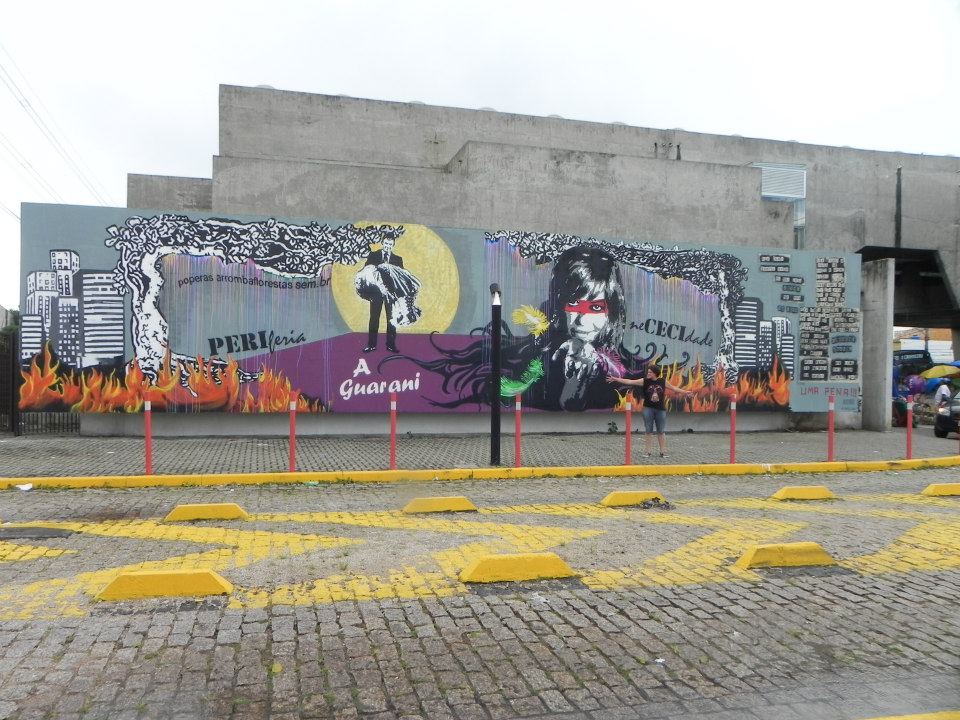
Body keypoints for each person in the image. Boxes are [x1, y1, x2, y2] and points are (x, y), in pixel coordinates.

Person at [607, 366, 692, 457]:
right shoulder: (645, 381)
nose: (648, 373)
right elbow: (630, 381)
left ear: (655, 373)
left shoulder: (662, 381)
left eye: (650, 372)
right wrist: (615, 379)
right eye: (648, 372)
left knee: (661, 431)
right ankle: (647, 452)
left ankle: (663, 452)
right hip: (648, 409)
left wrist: (686, 392)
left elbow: (674, 388)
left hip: (660, 409)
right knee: (648, 431)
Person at [355, 236, 418, 353]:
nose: (387, 246)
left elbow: (401, 278)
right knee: (374, 318)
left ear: (393, 245)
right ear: (382, 243)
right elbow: (367, 271)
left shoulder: (398, 259)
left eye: (390, 244)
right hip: (376, 293)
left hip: (392, 294)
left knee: (392, 319)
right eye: (386, 243)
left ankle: (391, 345)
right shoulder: (373, 255)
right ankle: (371, 345)